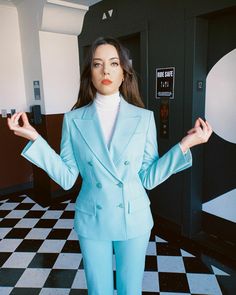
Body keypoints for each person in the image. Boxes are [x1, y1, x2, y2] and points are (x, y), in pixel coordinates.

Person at [8, 37, 212, 295]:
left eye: (113, 63)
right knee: (98, 289)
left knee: (129, 289)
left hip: (133, 216)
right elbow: (67, 177)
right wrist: (35, 139)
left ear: (124, 73)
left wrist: (185, 145)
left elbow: (148, 178)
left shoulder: (144, 118)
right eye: (97, 64)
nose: (106, 70)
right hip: (92, 217)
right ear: (89, 73)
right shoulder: (73, 120)